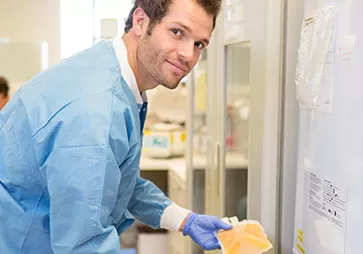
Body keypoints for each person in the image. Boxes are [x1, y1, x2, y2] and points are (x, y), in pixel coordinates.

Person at [0, 0, 232, 253]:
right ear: (141, 21)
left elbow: (113, 179)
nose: (188, 55)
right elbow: (85, 245)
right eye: (177, 32)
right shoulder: (95, 110)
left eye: (199, 44)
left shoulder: (109, 67)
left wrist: (184, 220)